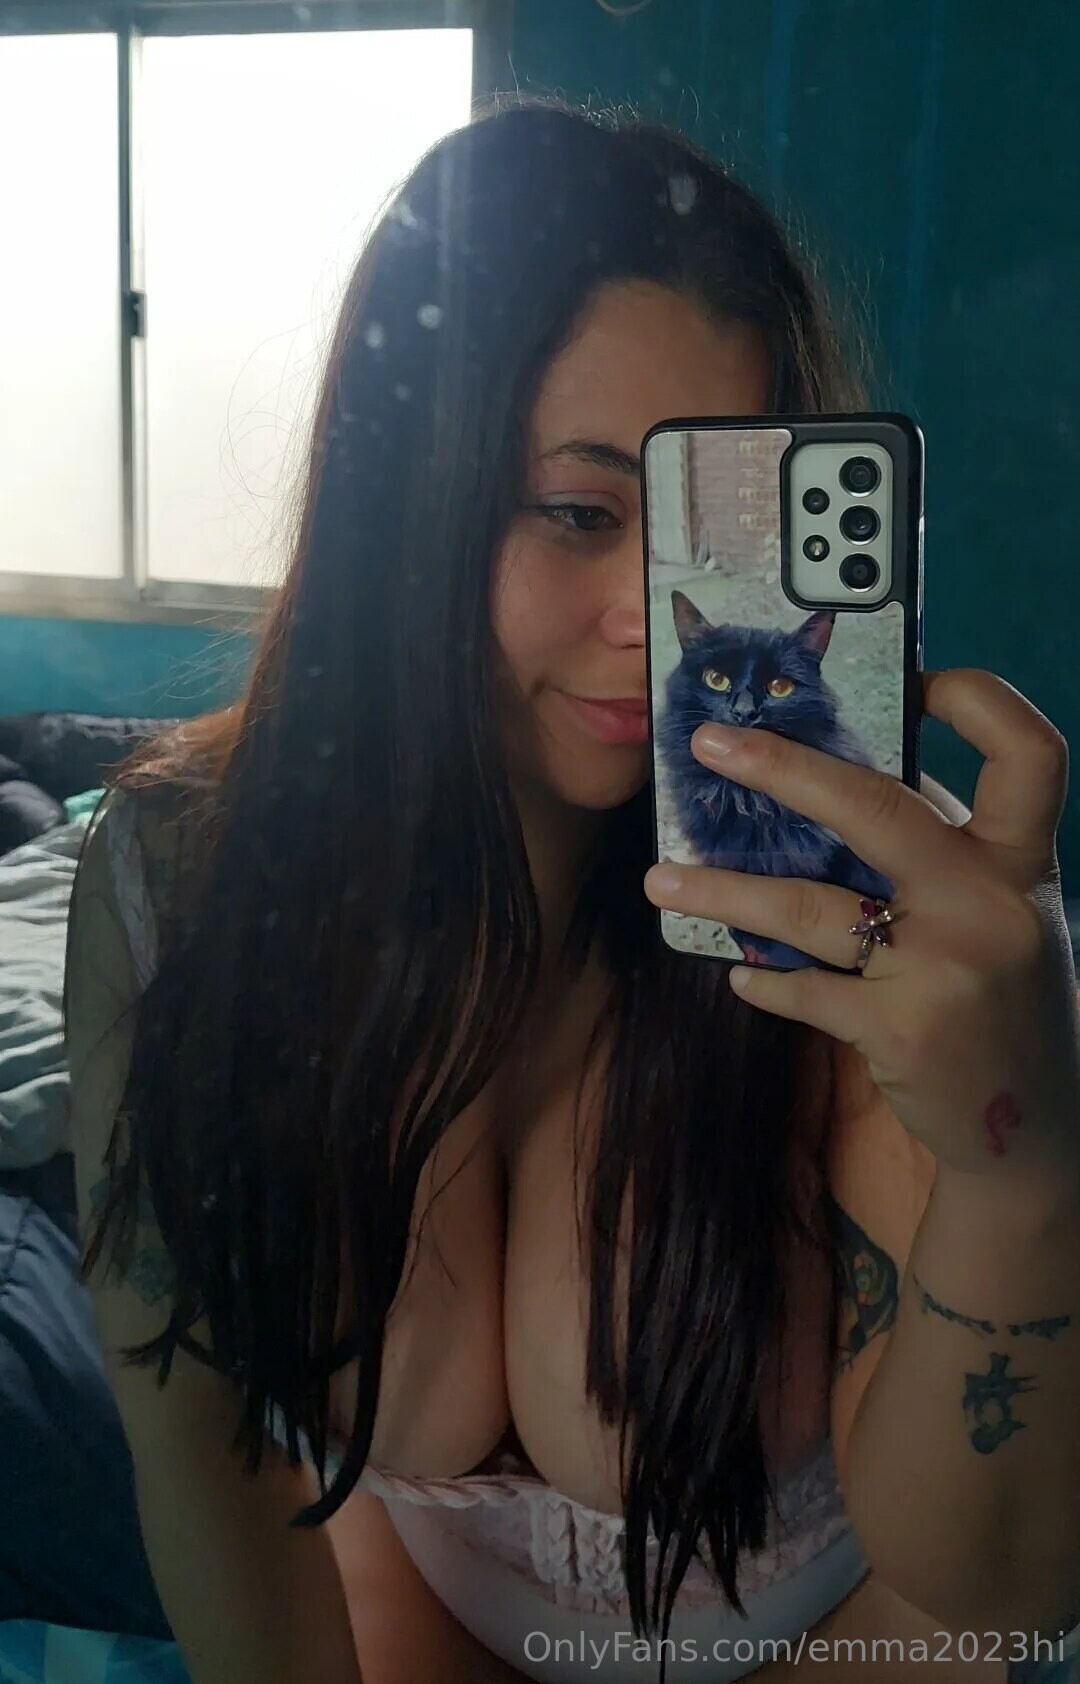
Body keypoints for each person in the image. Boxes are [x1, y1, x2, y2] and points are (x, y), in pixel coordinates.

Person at [64, 100, 1080, 1684]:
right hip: (420, 1605)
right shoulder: (178, 881)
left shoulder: (868, 904)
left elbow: (999, 1586)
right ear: (409, 501)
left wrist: (1023, 1170)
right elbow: (198, 1449)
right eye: (583, 512)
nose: (654, 623)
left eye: (712, 538)